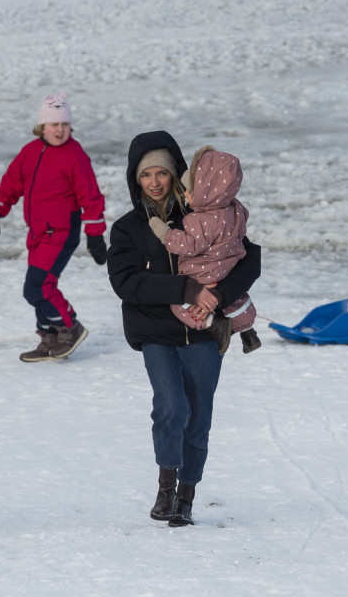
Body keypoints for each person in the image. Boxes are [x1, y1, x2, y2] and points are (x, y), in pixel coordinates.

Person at [106, 131, 261, 527]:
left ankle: (187, 495)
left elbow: (250, 259)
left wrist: (220, 292)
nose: (155, 182)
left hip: (206, 332)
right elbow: (125, 283)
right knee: (171, 407)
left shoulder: (206, 211)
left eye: (162, 172)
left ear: (178, 174)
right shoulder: (127, 229)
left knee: (199, 416)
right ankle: (165, 485)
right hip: (156, 331)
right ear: (135, 179)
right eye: (146, 175)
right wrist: (187, 287)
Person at [0, 93, 107, 362]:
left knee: (37, 286)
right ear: (42, 127)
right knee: (38, 287)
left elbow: (91, 196)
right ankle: (50, 337)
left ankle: (69, 326)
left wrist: (95, 236)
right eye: (54, 125)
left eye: (64, 124)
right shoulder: (30, 152)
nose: (60, 130)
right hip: (38, 233)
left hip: (62, 233)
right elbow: (11, 184)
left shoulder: (75, 155)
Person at [147, 145, 261, 355]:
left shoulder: (200, 220)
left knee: (180, 306)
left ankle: (216, 325)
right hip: (227, 271)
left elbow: (188, 245)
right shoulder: (235, 210)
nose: (187, 196)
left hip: (202, 275)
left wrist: (165, 233)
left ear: (206, 193)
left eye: (190, 192)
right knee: (238, 301)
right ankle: (249, 333)